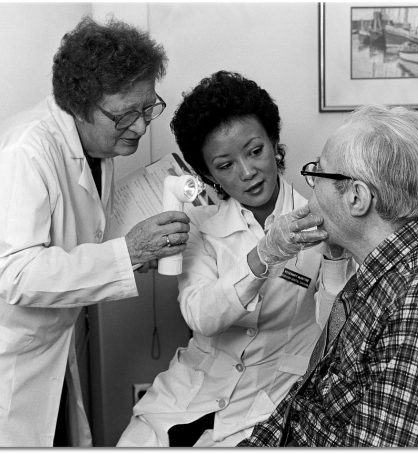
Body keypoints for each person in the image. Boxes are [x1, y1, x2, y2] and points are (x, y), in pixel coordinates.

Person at [0, 17, 191, 447]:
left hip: (51, 348)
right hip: (5, 364)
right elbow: (15, 273)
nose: (140, 124)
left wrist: (134, 252)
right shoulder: (26, 150)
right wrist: (127, 253)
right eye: (125, 114)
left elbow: (77, 239)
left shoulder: (97, 146)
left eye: (148, 106)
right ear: (78, 105)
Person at [117, 71, 355, 447]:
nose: (247, 172)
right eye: (225, 165)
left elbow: (336, 331)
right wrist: (262, 257)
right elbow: (201, 315)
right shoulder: (200, 227)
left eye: (255, 150)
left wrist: (336, 259)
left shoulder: (322, 221)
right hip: (184, 397)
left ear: (275, 144)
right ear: (209, 175)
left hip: (269, 403)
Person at [237, 105, 418, 447]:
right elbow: (305, 406)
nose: (310, 185)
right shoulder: (385, 271)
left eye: (318, 174)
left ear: (357, 198)